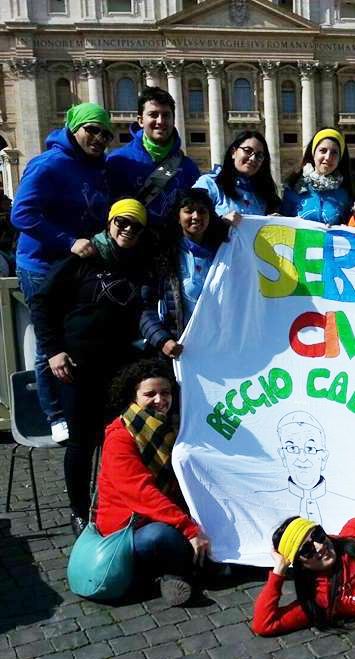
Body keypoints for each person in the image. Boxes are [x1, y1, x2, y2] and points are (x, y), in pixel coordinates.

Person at [31, 198, 150, 537]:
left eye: (135, 225)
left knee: (120, 441)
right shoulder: (83, 258)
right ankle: (79, 511)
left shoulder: (140, 262)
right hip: (77, 365)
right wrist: (53, 351)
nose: (127, 229)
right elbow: (41, 301)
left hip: (119, 366)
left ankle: (117, 506)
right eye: (121, 222)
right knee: (81, 443)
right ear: (110, 223)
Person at [11, 102, 113, 442]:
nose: (99, 138)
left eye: (105, 134)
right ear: (74, 128)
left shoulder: (97, 166)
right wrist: (67, 240)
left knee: (76, 336)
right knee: (49, 342)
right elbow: (21, 214)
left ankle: (76, 407)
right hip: (41, 264)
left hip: (76, 266)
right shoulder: (48, 164)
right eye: (92, 130)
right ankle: (53, 414)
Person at [96, 359, 210, 606]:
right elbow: (142, 493)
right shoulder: (119, 437)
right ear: (134, 396)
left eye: (165, 392)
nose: (160, 400)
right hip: (128, 528)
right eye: (150, 394)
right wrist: (189, 529)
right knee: (162, 536)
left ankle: (171, 574)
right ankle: (177, 573)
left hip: (158, 515)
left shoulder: (166, 428)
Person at [140, 188, 230, 359]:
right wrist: (162, 340)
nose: (196, 216)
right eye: (189, 211)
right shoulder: (162, 255)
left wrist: (267, 225)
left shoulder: (226, 251)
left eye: (202, 211)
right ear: (178, 216)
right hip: (179, 351)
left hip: (221, 349)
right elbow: (145, 307)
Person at [107, 87, 200, 238]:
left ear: (173, 119)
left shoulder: (188, 167)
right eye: (153, 115)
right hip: (132, 247)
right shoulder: (118, 161)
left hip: (173, 249)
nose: (160, 121)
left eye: (166, 115)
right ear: (140, 120)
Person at [255, 412, 355, 525]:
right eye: (292, 448)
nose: (302, 458)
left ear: (323, 457)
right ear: (283, 456)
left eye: (310, 448)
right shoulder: (259, 504)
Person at [193, 131, 280, 218]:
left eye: (259, 155)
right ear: (233, 152)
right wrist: (221, 223)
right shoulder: (210, 183)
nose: (253, 158)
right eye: (248, 151)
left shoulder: (264, 192)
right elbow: (191, 219)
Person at [280, 128, 353, 226]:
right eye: (323, 151)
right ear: (313, 154)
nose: (328, 157)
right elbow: (282, 225)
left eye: (334, 152)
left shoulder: (345, 194)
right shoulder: (293, 187)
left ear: (340, 158)